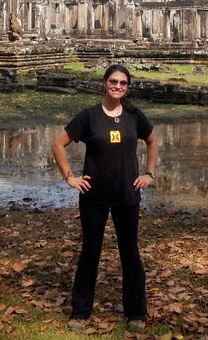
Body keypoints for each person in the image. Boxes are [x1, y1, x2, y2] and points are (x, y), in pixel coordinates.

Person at [52, 64, 158, 333]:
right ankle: (80, 312)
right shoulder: (88, 116)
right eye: (113, 81)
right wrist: (70, 177)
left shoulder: (135, 115)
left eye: (123, 83)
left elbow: (152, 142)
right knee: (90, 252)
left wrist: (149, 174)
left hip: (127, 194)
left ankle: (136, 313)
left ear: (127, 87)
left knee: (130, 254)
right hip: (93, 196)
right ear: (104, 83)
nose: (118, 86)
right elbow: (58, 144)